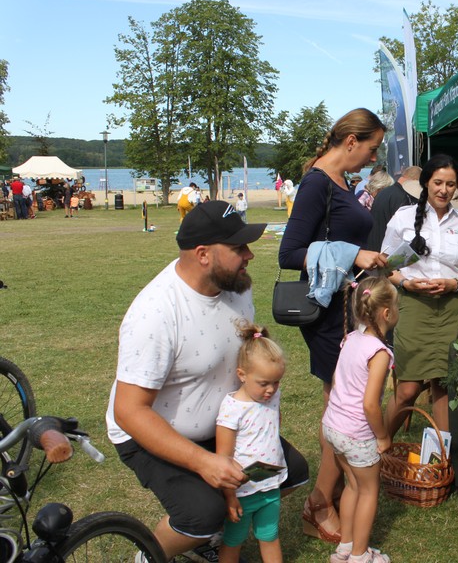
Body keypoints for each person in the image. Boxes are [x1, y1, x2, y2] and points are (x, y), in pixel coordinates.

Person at [106, 201, 309, 561]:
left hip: (222, 425)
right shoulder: (155, 314)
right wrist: (204, 463)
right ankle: (152, 555)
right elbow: (129, 411)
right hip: (151, 432)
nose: (249, 255)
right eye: (238, 248)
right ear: (203, 254)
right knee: (202, 514)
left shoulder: (236, 287)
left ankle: (209, 538)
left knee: (291, 474)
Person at [278, 108, 388, 544]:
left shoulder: (343, 182)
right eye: (372, 148)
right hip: (327, 315)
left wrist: (370, 260)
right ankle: (319, 505)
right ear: (350, 142)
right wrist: (353, 255)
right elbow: (289, 253)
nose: (373, 157)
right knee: (342, 410)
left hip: (347, 305)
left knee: (340, 408)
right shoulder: (316, 183)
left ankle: (329, 495)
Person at [382, 154, 458, 435]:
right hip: (414, 307)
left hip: (453, 309)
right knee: (408, 388)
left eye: (451, 184)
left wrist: (454, 284)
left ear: (457, 188)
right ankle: (377, 446)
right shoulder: (403, 218)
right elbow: (387, 268)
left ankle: (444, 458)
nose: (444, 190)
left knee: (445, 385)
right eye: (438, 182)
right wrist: (406, 284)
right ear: (426, 183)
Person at [322, 276, 397, 563]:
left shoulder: (350, 339)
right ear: (387, 313)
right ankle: (359, 556)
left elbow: (335, 380)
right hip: (356, 434)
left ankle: (346, 546)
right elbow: (370, 404)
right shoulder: (379, 353)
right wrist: (382, 436)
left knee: (352, 485)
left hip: (333, 427)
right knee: (368, 491)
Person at [216, 321, 288, 563]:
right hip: (242, 492)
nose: (271, 390)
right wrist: (229, 496)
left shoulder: (273, 397)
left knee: (270, 536)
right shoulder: (232, 409)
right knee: (233, 541)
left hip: (270, 485)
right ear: (242, 375)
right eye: (264, 383)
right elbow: (223, 458)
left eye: (276, 382)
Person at [366, 166, 421, 251]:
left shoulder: (384, 192)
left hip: (373, 247)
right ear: (415, 181)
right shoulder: (403, 197)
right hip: (385, 252)